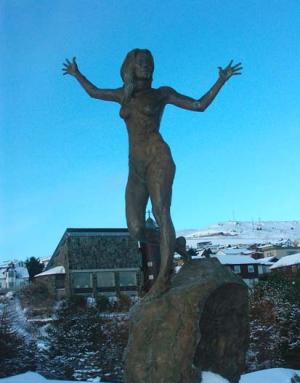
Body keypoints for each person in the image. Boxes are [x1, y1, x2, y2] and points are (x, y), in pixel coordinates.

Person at [62, 49, 242, 297]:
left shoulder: (162, 93)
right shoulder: (123, 94)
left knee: (161, 212)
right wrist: (76, 73)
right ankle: (174, 244)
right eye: (141, 63)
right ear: (131, 67)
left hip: (158, 159)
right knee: (135, 228)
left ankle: (164, 277)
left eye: (149, 62)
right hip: (135, 167)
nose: (146, 66)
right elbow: (94, 92)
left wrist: (221, 80)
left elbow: (199, 105)